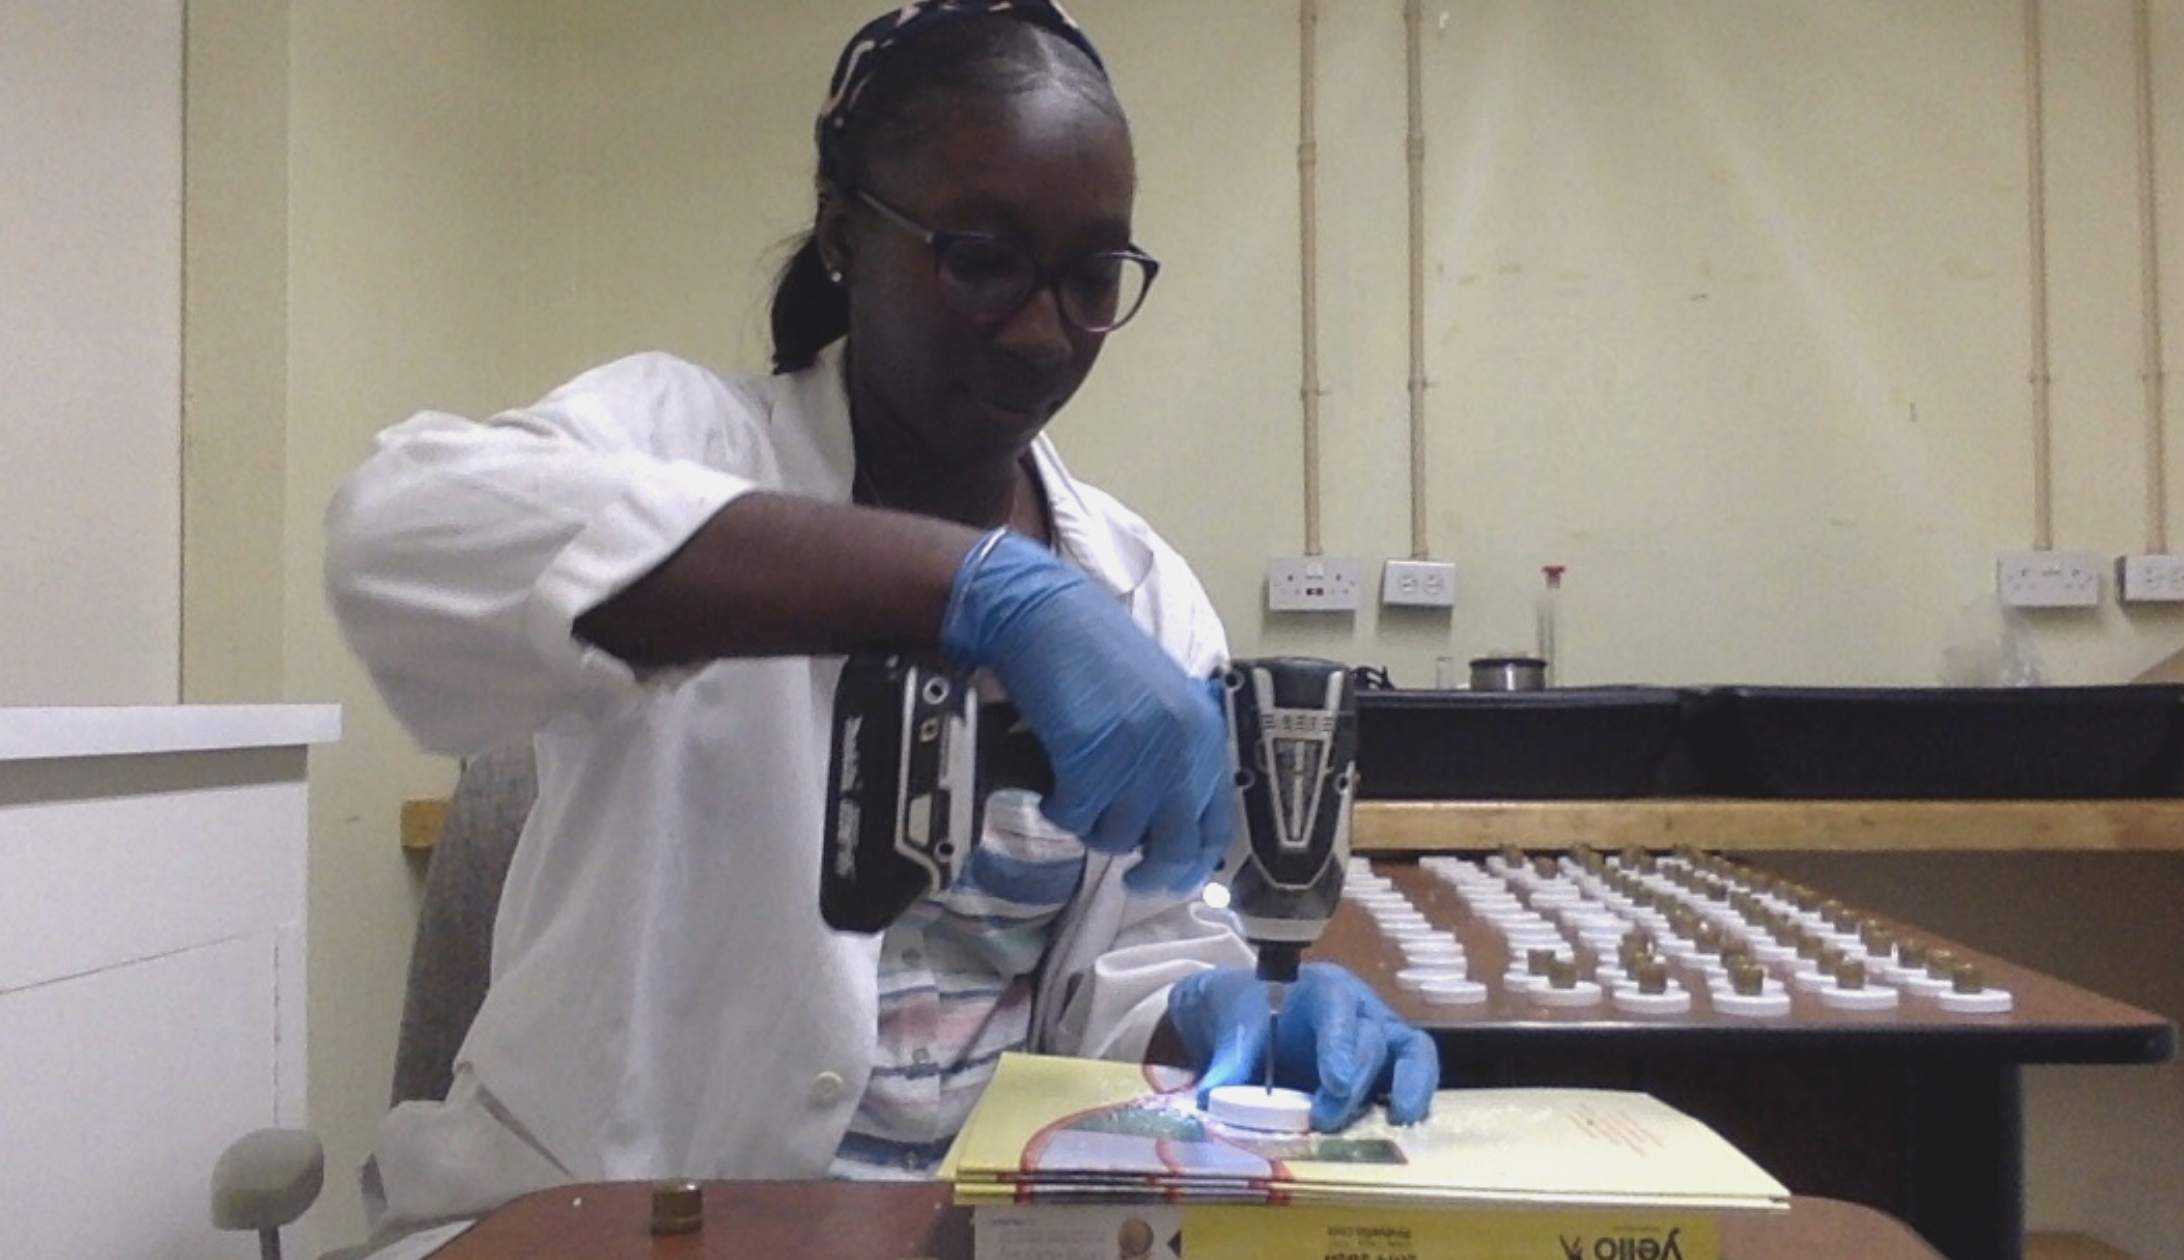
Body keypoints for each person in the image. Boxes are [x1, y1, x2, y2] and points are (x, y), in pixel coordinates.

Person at [326, 4, 1437, 1256]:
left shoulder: (1137, 588)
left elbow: (1124, 975)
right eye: (979, 257)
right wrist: (969, 588)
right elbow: (395, 534)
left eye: (1087, 277)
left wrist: (1224, 1010)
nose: (1042, 330)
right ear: (845, 227)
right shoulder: (684, 444)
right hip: (606, 1216)